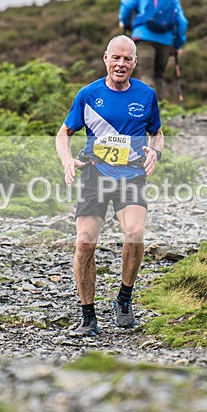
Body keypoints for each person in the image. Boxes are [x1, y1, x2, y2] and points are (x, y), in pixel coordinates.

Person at [55, 35, 164, 336]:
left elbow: (157, 132)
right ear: (105, 58)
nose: (121, 64)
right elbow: (63, 133)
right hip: (94, 174)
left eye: (127, 59)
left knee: (135, 232)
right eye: (116, 57)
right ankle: (88, 316)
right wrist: (66, 160)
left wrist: (155, 151)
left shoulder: (146, 95)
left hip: (130, 175)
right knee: (85, 242)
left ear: (134, 62)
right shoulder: (88, 95)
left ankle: (124, 300)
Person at [118, 0, 188, 102]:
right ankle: (161, 109)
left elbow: (126, 4)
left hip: (143, 38)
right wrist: (177, 45)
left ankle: (146, 109)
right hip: (166, 41)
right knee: (159, 76)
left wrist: (125, 22)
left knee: (146, 74)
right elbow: (182, 23)